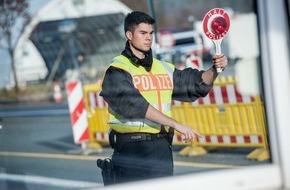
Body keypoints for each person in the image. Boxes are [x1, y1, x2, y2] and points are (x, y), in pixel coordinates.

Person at [100, 11, 228, 184]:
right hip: (132, 148)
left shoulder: (163, 68)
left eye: (151, 33)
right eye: (143, 33)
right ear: (129, 35)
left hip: (161, 147)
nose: (148, 38)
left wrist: (214, 69)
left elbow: (194, 83)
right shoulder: (117, 70)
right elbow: (135, 104)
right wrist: (176, 124)